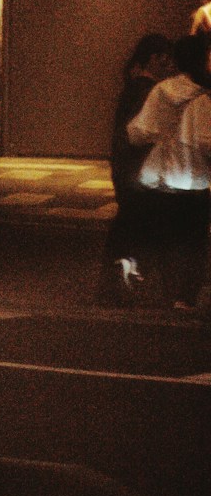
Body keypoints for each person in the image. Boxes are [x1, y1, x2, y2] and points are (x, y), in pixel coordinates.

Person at [126, 30, 211, 312]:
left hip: (162, 179)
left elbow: (139, 133)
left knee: (167, 238)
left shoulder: (162, 91)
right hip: (196, 180)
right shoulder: (205, 97)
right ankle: (185, 296)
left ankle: (168, 292)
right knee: (194, 241)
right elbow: (206, 141)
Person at [98, 32, 173, 304]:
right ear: (154, 59)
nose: (169, 67)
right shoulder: (147, 91)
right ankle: (120, 286)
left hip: (126, 168)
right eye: (165, 60)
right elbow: (141, 134)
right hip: (137, 170)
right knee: (136, 229)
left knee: (128, 227)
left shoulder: (133, 87)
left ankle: (116, 285)